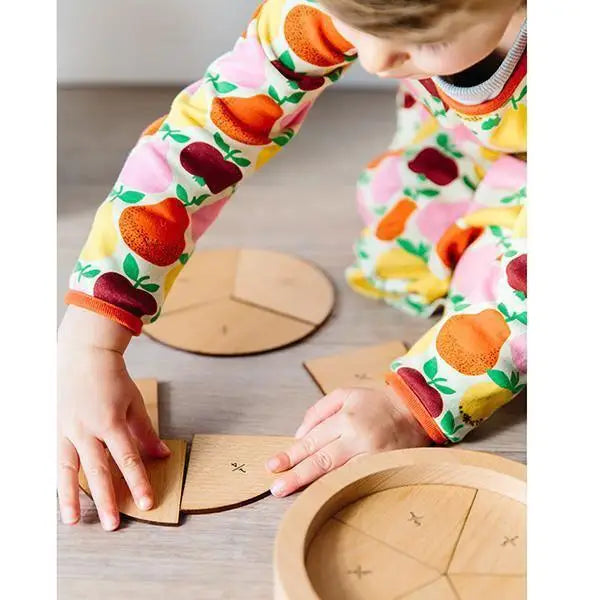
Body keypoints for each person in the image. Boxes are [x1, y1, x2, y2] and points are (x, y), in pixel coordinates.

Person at [58, 0, 527, 530]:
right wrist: (88, 339)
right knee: (400, 244)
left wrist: (415, 405)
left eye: (424, 40)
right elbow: (202, 137)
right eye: (356, 25)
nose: (373, 60)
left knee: (503, 298)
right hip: (470, 139)